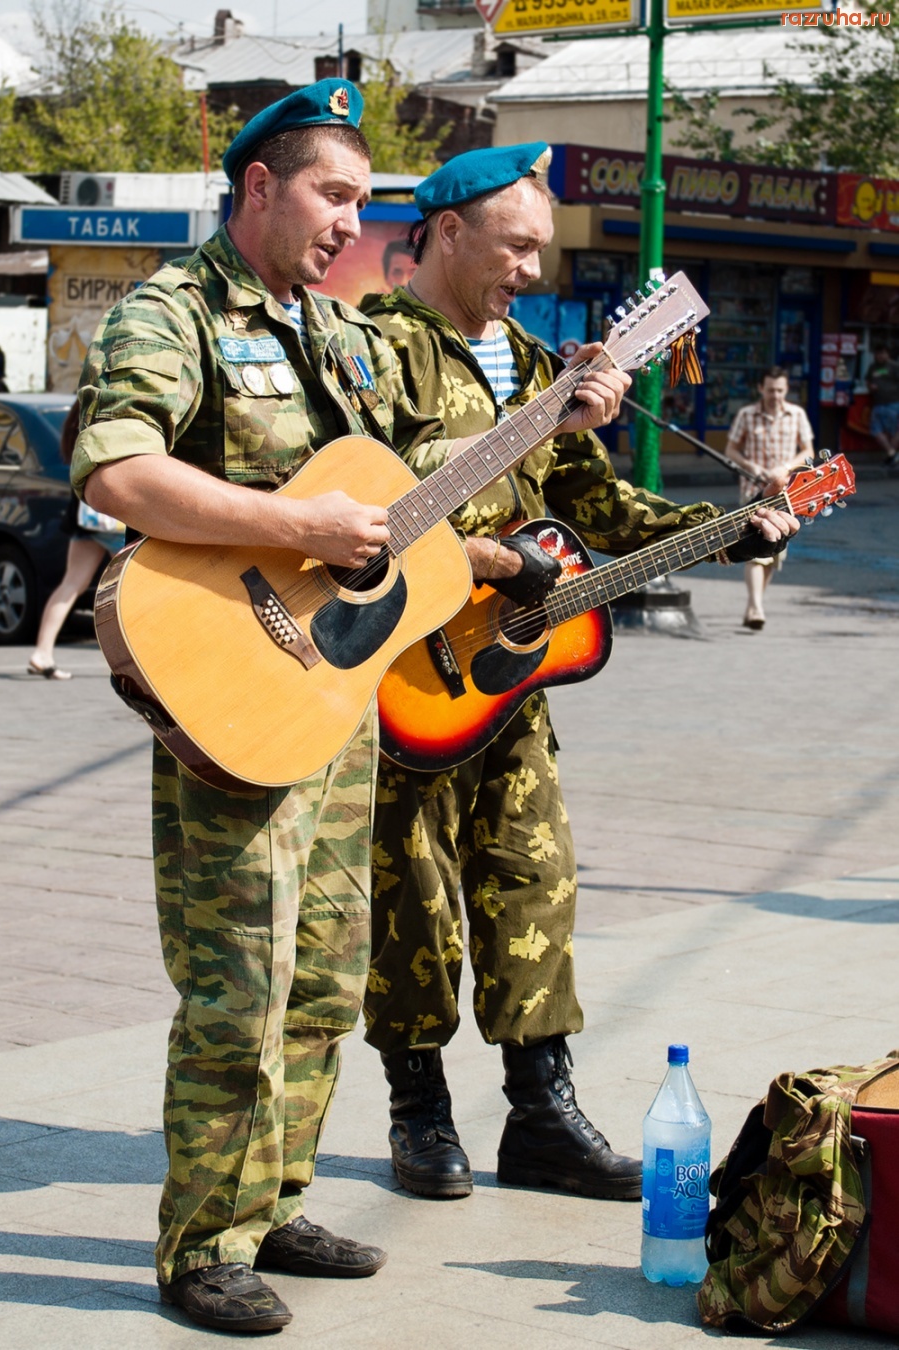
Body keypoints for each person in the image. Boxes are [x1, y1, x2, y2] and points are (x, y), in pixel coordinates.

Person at [71, 94, 631, 1334]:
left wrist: (557, 416)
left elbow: (410, 496)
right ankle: (199, 1244)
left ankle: (271, 1202)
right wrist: (295, 527)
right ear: (261, 187)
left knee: (327, 976)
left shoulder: (343, 338)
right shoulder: (175, 313)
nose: (352, 226)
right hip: (233, 692)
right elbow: (116, 469)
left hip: (334, 701)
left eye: (365, 205)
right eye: (334, 197)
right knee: (241, 982)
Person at [359, 143, 799, 1204]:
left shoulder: (527, 356)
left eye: (541, 252)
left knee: (534, 883)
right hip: (400, 673)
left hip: (508, 689)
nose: (531, 272)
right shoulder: (372, 349)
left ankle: (541, 1116)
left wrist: (729, 528)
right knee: (409, 902)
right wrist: (504, 556)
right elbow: (361, 506)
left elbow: (600, 511)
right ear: (449, 229)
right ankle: (419, 1113)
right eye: (515, 246)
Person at [27, 404, 125, 680]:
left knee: (71, 584)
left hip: (85, 516)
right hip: (110, 519)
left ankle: (42, 652)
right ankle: (137, 659)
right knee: (132, 588)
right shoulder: (111, 417)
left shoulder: (79, 423)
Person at [725, 366, 814, 630]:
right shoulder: (747, 415)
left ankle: (756, 602)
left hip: (787, 495)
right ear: (761, 389)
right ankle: (755, 607)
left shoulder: (797, 414)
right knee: (754, 551)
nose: (775, 395)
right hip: (752, 492)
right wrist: (750, 466)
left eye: (780, 390)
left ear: (785, 390)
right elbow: (731, 449)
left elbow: (807, 449)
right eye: (771, 390)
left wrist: (786, 469)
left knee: (773, 551)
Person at [865, 343, 899, 465]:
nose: (879, 356)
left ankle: (891, 455)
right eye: (877, 353)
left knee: (894, 432)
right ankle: (892, 454)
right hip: (878, 403)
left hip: (894, 403)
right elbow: (868, 380)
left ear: (887, 354)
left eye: (882, 353)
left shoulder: (894, 366)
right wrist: (870, 386)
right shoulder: (873, 367)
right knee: (876, 430)